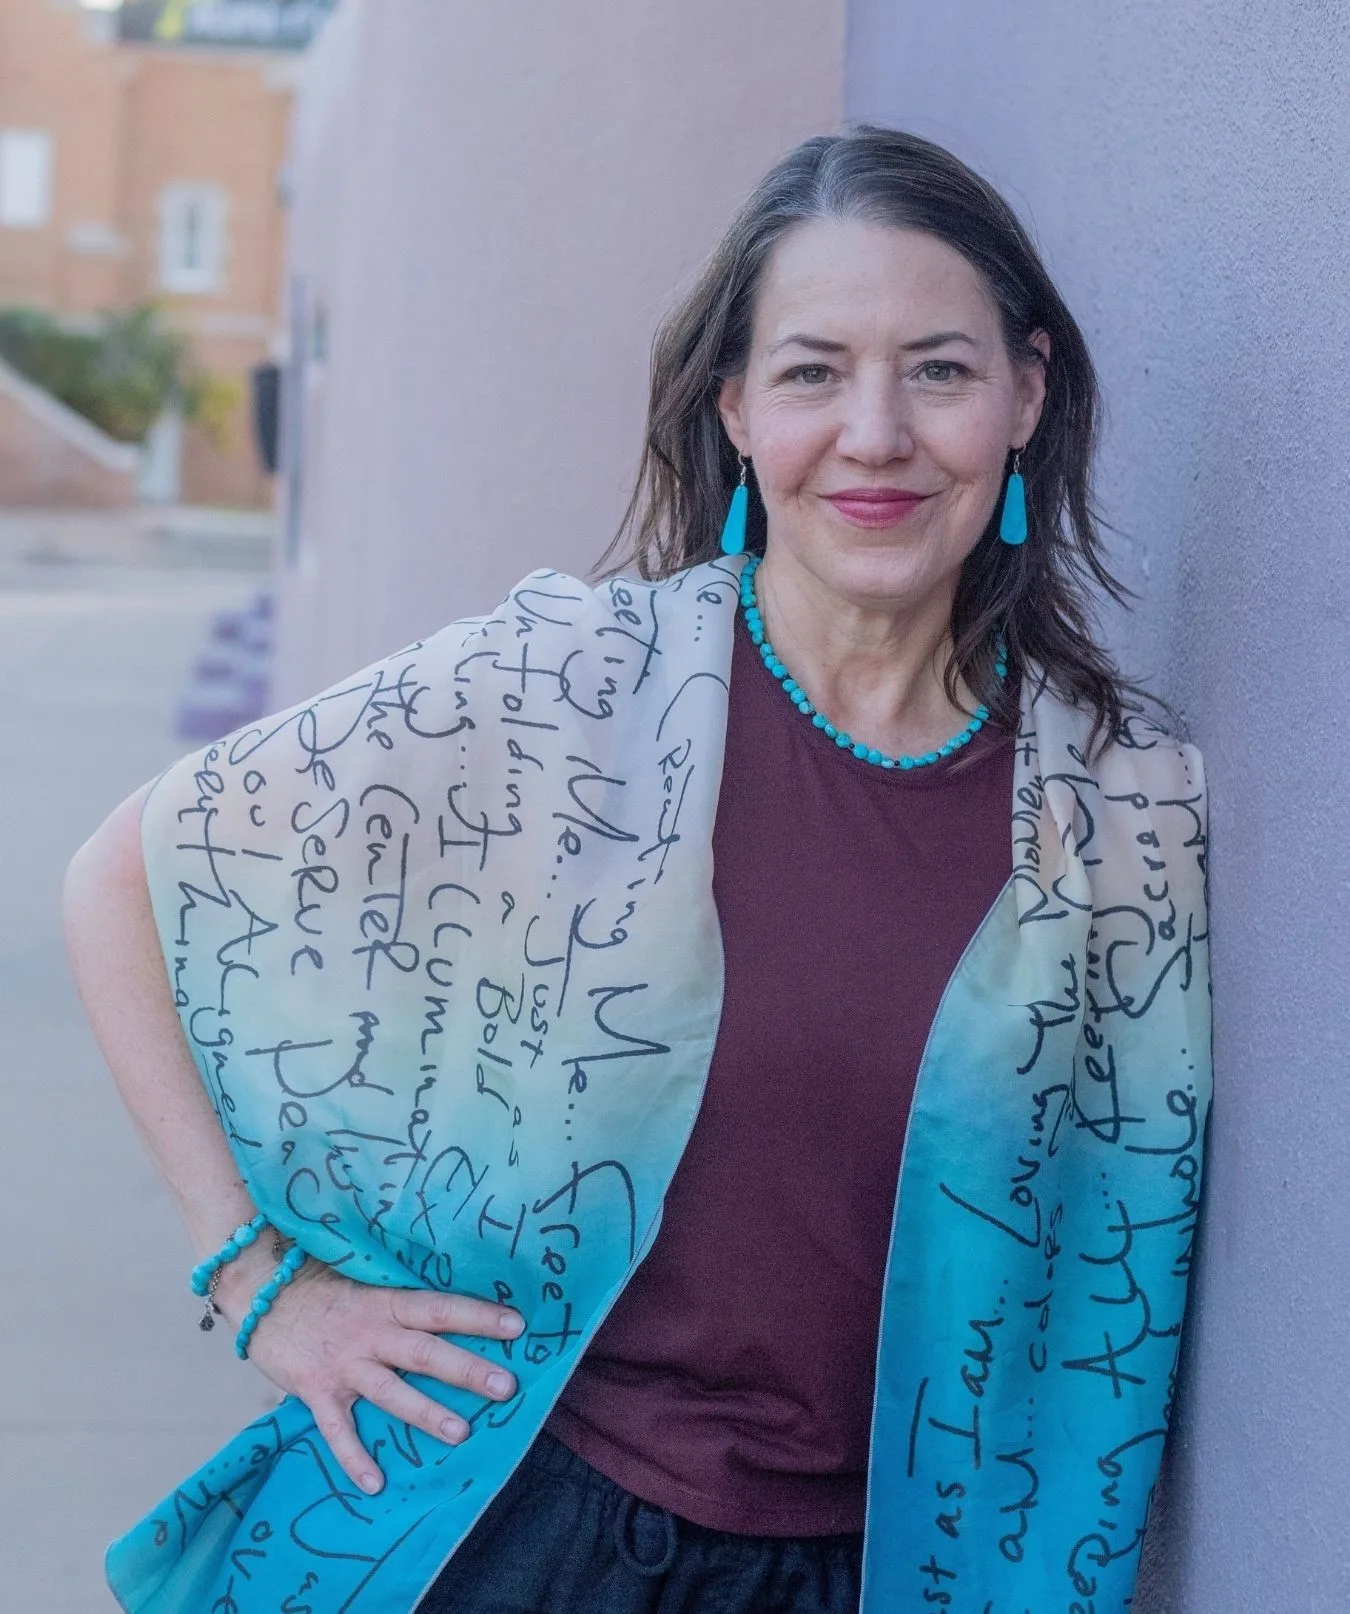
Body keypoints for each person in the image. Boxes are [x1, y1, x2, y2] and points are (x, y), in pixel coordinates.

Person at [65, 126, 1211, 1614]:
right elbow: (121, 874)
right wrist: (259, 1282)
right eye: (810, 371)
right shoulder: (562, 690)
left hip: (897, 1574)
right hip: (527, 1538)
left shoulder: (1117, 820)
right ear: (734, 408)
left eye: (936, 368)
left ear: (1023, 395)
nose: (874, 433)